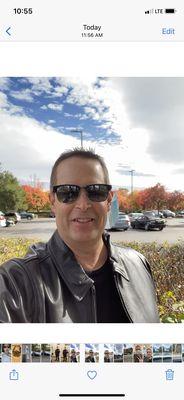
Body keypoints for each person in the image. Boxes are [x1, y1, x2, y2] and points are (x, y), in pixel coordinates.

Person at [0, 148, 159, 323]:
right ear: (53, 201)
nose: (83, 204)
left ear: (108, 200)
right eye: (68, 192)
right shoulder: (14, 284)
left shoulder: (138, 265)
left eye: (96, 191)